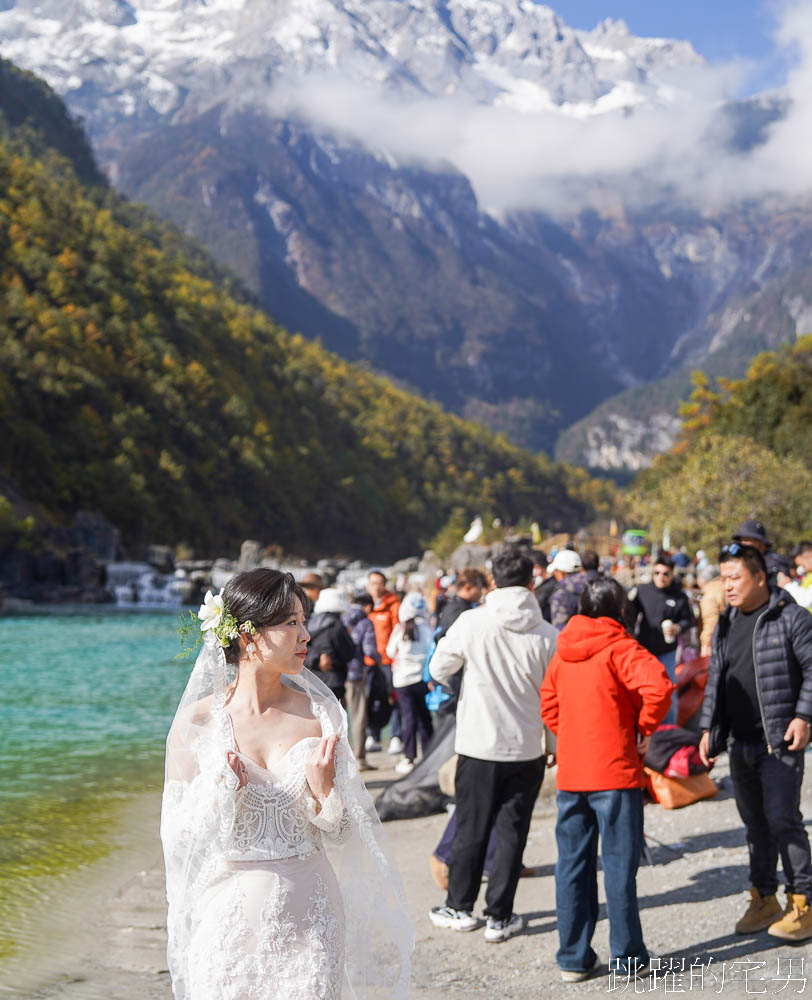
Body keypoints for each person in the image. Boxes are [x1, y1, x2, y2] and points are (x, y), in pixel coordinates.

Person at [161, 569, 412, 999]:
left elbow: (349, 833)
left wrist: (325, 792)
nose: (306, 635)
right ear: (248, 636)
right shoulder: (198, 723)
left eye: (304, 620)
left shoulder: (322, 715)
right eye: (291, 622)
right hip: (226, 920)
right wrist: (221, 792)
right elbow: (179, 841)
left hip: (311, 917)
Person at [541, 578, 673, 981]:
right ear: (620, 610)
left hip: (574, 772)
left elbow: (548, 705)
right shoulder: (620, 646)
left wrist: (575, 735)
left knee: (572, 866)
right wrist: (641, 730)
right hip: (615, 771)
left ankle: (573, 958)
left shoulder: (564, 650)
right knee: (618, 866)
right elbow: (660, 687)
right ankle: (627, 957)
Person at [428, 549, 558, 943]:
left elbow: (437, 668)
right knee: (512, 832)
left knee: (472, 829)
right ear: (532, 582)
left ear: (492, 581)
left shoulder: (472, 622)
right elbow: (555, 697)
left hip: (479, 744)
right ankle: (500, 916)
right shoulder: (549, 634)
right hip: (527, 747)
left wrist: (464, 683)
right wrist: (553, 742)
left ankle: (460, 907)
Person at [699, 543, 812, 941]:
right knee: (755, 826)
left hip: (779, 743)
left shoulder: (792, 617)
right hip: (740, 742)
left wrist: (804, 716)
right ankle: (764, 898)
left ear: (759, 578)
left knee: (784, 820)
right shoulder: (727, 622)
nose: (727, 586)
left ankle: (804, 904)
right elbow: (717, 679)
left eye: (735, 578)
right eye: (723, 578)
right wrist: (707, 730)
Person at [630, 554, 692, 724]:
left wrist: (677, 627)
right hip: (643, 650)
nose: (660, 577)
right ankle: (641, 725)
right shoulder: (643, 591)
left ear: (672, 574)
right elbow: (630, 615)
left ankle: (669, 729)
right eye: (656, 573)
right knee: (640, 690)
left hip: (666, 652)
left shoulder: (679, 596)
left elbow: (688, 619)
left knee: (668, 691)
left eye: (665, 574)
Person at [386, 592, 435, 774]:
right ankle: (430, 754)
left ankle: (409, 757)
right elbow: (432, 652)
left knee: (408, 718)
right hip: (422, 680)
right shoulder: (428, 629)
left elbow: (390, 652)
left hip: (402, 681)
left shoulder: (400, 629)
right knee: (425, 718)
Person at [432, 568, 488, 716]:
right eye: (480, 588)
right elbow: (445, 643)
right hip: (455, 680)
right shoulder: (460, 611)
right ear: (468, 587)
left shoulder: (455, 606)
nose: (482, 592)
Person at [365, 570, 403, 754]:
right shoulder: (364, 605)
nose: (376, 586)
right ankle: (373, 736)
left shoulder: (393, 604)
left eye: (379, 583)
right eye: (373, 583)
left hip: (388, 660)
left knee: (392, 699)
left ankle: (396, 736)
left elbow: (399, 630)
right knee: (371, 699)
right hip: (369, 661)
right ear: (368, 585)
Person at [343, 592, 380, 771]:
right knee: (358, 717)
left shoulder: (340, 617)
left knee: (337, 717)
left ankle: (340, 759)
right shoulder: (365, 622)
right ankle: (359, 759)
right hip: (356, 673)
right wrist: (378, 660)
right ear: (367, 606)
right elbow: (369, 648)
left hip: (336, 673)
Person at [305, 587, 356, 704]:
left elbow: (304, 648)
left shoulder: (310, 623)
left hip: (313, 679)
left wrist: (317, 658)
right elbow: (348, 653)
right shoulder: (336, 626)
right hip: (334, 679)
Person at [549, 550, 587, 630]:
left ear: (561, 573)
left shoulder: (561, 594)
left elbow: (559, 629)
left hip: (571, 640)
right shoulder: (593, 586)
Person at [697, 564, 726, 657]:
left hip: (716, 644)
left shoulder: (709, 595)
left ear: (702, 579)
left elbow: (711, 622)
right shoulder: (725, 586)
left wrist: (706, 644)